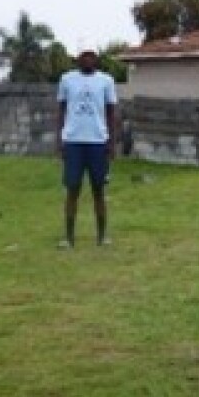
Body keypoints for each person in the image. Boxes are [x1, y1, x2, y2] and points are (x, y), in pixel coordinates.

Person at [55, 44, 118, 248]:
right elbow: (61, 111)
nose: (89, 59)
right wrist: (60, 140)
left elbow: (110, 113)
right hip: (73, 142)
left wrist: (111, 141)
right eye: (85, 55)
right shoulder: (66, 79)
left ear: (96, 58)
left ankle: (102, 236)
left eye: (92, 56)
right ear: (78, 58)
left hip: (98, 142)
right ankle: (68, 237)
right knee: (72, 190)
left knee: (98, 190)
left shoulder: (106, 81)